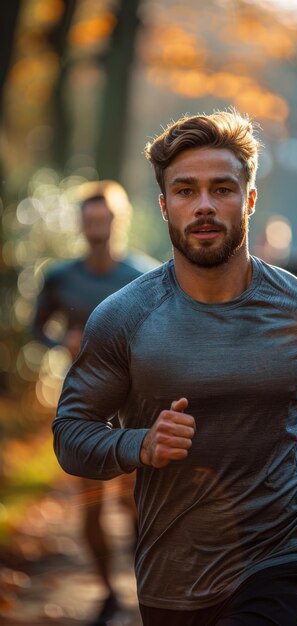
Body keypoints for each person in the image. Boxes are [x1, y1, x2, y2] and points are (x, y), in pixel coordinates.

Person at [52, 110, 297, 626]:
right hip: (171, 577)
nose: (203, 206)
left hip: (278, 563)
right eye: (185, 191)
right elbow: (70, 434)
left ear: (249, 199)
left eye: (222, 189)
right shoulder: (123, 318)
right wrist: (140, 445)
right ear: (163, 206)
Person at [33, 180, 159, 626]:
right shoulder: (61, 278)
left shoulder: (143, 275)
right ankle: (108, 592)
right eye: (89, 221)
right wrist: (59, 339)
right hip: (81, 406)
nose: (97, 228)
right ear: (81, 225)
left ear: (118, 221)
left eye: (104, 219)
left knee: (134, 504)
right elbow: (38, 326)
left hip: (133, 408)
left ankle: (149, 586)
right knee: (89, 504)